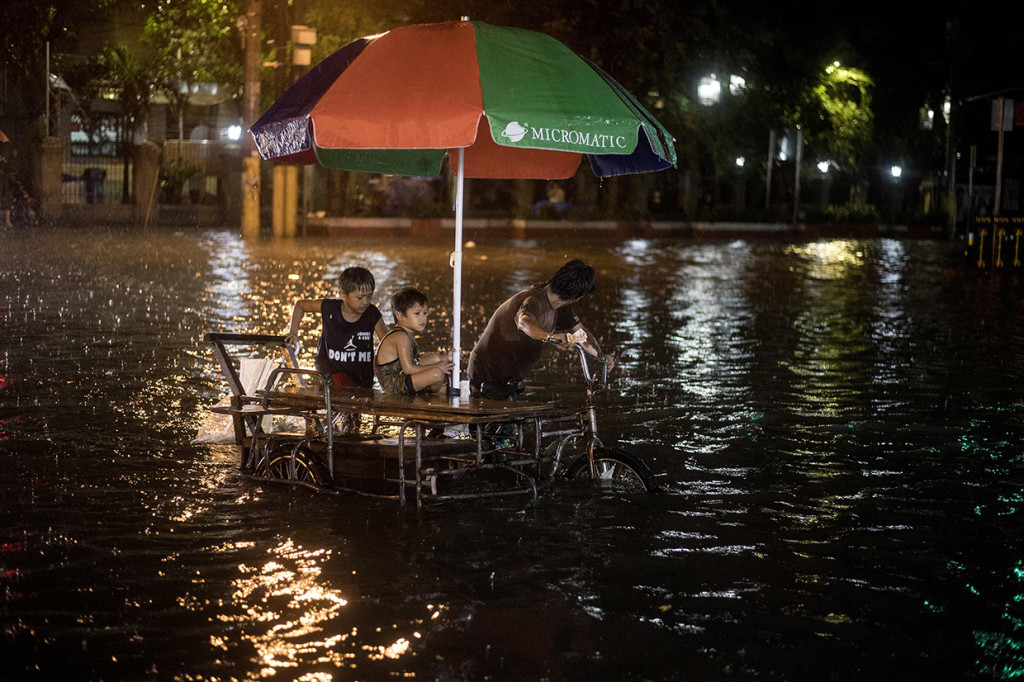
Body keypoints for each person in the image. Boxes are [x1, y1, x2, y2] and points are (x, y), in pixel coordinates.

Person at [467, 259, 615, 400]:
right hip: (487, 376)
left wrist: (600, 355)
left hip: (509, 378)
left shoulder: (561, 306)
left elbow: (581, 333)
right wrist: (551, 337)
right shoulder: (535, 299)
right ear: (578, 297)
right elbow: (524, 322)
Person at [285, 266, 389, 390]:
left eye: (369, 296)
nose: (365, 302)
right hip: (331, 370)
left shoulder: (372, 314)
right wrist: (293, 333)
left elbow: (388, 341)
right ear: (343, 295)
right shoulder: (330, 308)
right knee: (337, 386)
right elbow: (301, 305)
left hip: (361, 376)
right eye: (360, 298)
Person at [374, 287, 453, 395]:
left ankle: (432, 389)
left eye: (425, 313)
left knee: (436, 357)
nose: (423, 318)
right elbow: (409, 369)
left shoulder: (407, 333)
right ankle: (432, 392)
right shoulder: (400, 336)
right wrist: (438, 366)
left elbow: (414, 361)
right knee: (437, 374)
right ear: (400, 315)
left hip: (402, 374)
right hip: (394, 385)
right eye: (417, 313)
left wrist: (446, 358)